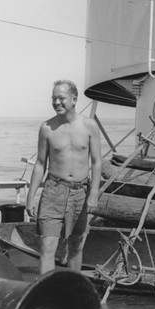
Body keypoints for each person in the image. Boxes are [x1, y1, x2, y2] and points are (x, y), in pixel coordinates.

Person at [26, 80, 102, 274]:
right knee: (48, 247)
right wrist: (31, 196)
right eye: (54, 98)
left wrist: (94, 193)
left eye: (61, 98)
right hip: (53, 191)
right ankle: (47, 295)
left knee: (76, 246)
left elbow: (96, 162)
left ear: (74, 99)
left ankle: (73, 292)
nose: (57, 102)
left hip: (80, 193)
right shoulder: (47, 128)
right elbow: (40, 164)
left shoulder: (89, 126)